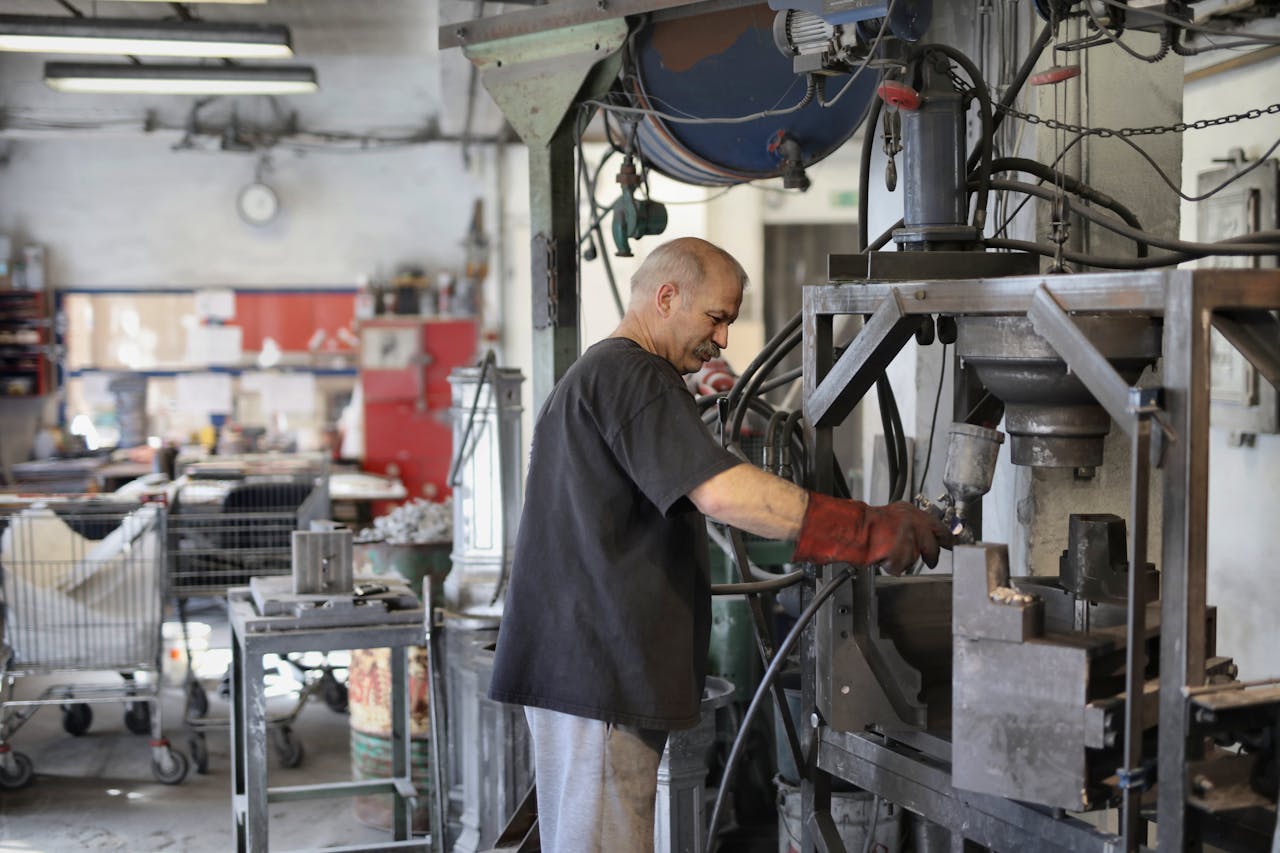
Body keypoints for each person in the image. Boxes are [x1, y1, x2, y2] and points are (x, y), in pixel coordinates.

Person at [488, 237, 951, 852]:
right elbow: (725, 494)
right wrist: (866, 529)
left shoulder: (606, 375)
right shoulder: (631, 373)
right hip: (597, 676)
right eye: (717, 317)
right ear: (665, 297)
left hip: (592, 674)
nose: (724, 340)